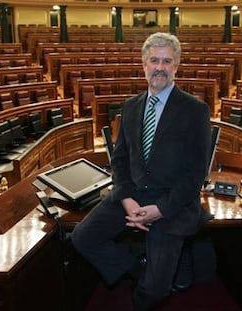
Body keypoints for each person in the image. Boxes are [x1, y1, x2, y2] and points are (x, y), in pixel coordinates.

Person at [71, 32, 212, 310]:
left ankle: (147, 286)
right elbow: (120, 161)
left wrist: (159, 209)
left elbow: (195, 174)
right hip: (132, 195)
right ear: (144, 64)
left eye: (167, 61)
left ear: (176, 66)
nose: (160, 67)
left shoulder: (195, 110)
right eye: (154, 60)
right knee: (82, 237)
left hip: (171, 202)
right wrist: (126, 199)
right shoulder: (131, 106)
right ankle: (136, 268)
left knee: (157, 289)